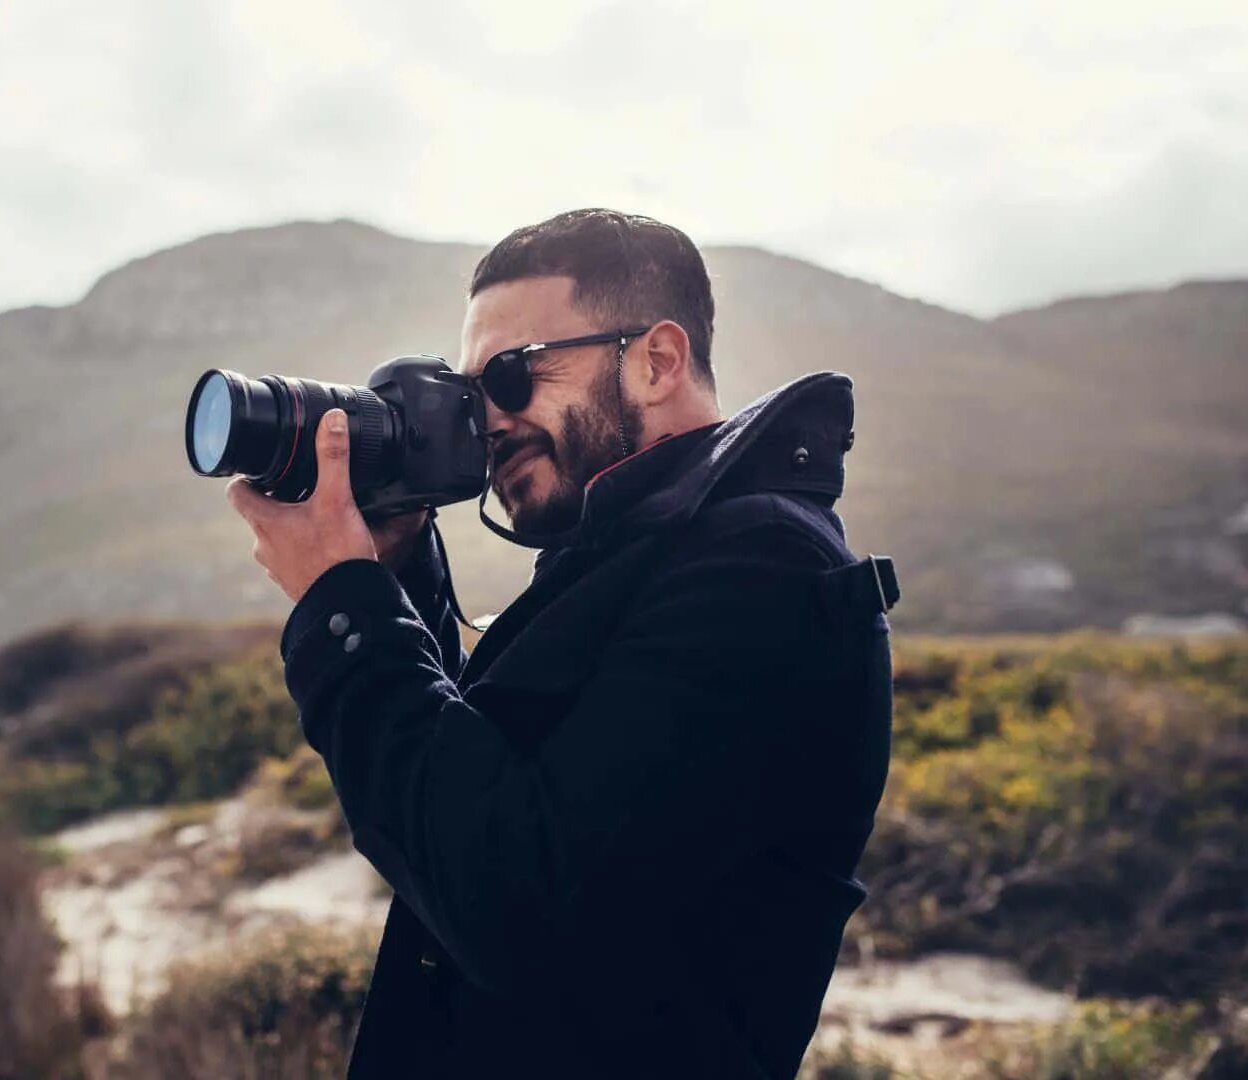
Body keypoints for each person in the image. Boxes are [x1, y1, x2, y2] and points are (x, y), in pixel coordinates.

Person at [226, 208, 896, 1078]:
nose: (488, 422)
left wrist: (342, 602)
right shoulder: (635, 550)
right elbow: (498, 769)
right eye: (473, 397)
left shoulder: (764, 571)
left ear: (657, 361)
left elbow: (512, 893)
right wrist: (394, 575)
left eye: (511, 377)